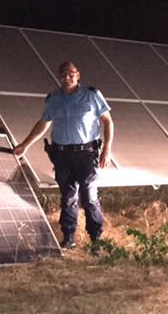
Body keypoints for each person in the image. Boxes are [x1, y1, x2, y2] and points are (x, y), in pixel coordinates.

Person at [13, 61, 114, 251]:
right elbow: (43, 123)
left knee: (89, 196)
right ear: (59, 77)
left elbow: (108, 121)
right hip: (62, 156)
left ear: (78, 75)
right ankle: (68, 238)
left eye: (70, 74)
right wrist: (25, 145)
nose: (67, 77)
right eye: (63, 74)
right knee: (68, 197)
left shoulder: (92, 95)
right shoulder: (53, 99)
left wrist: (107, 150)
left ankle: (96, 240)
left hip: (86, 154)